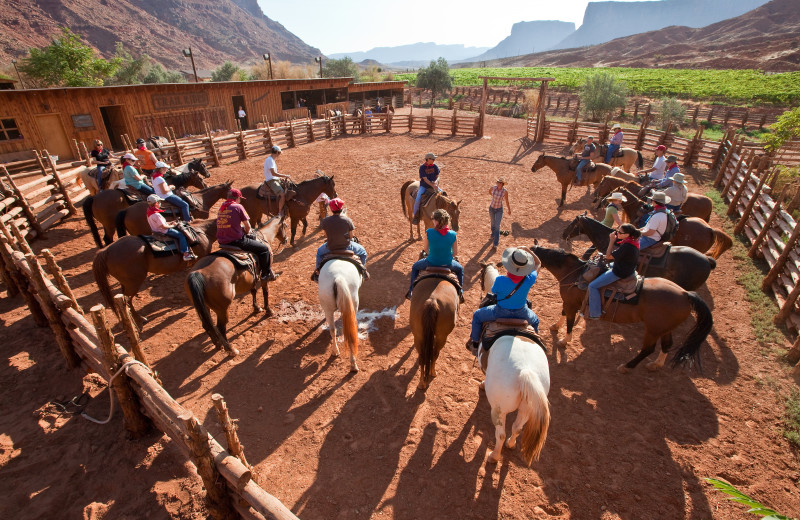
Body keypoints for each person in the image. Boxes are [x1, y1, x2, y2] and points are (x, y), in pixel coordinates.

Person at [467, 246, 542, 354]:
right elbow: (538, 263)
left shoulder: (500, 280)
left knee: (477, 315)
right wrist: (527, 250)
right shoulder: (529, 279)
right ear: (525, 266)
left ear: (509, 265)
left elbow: (494, 291)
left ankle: (474, 344)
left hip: (500, 312)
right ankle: (536, 343)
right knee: (535, 320)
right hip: (522, 313)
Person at [216, 188, 278, 282]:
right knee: (264, 249)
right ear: (237, 198)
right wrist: (246, 231)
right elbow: (248, 226)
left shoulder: (222, 207)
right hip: (236, 241)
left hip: (222, 240)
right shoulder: (238, 207)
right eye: (240, 198)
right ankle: (266, 274)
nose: (240, 200)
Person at [406, 208, 463, 302]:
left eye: (433, 219)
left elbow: (425, 250)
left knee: (415, 267)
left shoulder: (429, 232)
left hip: (430, 262)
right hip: (448, 264)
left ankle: (411, 291)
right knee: (460, 269)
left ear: (436, 221)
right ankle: (460, 293)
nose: (432, 221)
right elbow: (455, 253)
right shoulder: (453, 234)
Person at [587, 223, 640, 319]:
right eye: (617, 230)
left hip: (620, 271)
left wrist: (611, 240)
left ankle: (595, 313)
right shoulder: (633, 242)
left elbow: (608, 256)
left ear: (627, 234)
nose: (617, 233)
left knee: (592, 286)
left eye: (620, 232)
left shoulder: (626, 246)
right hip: (628, 268)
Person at [311, 197, 369, 281]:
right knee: (363, 252)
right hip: (347, 247)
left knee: (319, 252)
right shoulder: (347, 220)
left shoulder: (326, 221)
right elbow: (351, 236)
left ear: (331, 209)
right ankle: (362, 271)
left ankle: (317, 272)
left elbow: (326, 235)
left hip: (330, 247)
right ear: (341, 208)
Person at [146, 194, 196, 262]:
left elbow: (160, 223)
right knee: (181, 236)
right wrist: (173, 225)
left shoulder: (149, 211)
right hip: (164, 231)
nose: (160, 203)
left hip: (156, 230)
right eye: (159, 202)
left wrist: (170, 222)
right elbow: (163, 226)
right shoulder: (157, 215)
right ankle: (186, 254)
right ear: (156, 203)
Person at [412, 152, 441, 225]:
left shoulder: (435, 166)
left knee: (444, 195)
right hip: (424, 186)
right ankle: (415, 216)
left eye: (434, 159)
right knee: (418, 198)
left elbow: (438, 177)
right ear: (428, 159)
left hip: (434, 185)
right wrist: (433, 185)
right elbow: (425, 179)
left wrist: (436, 182)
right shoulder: (422, 167)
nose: (434, 160)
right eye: (433, 159)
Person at [263, 145, 293, 216]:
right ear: (276, 152)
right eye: (279, 153)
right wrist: (285, 176)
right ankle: (280, 212)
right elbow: (273, 173)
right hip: (271, 181)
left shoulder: (271, 159)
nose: (279, 154)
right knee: (282, 194)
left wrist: (279, 178)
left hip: (274, 179)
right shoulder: (270, 160)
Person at [488, 177, 511, 251]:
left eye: (499, 183)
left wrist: (509, 209)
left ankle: (495, 243)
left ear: (502, 184)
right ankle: (493, 234)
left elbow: (507, 201)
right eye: (497, 182)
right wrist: (493, 197)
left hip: (499, 210)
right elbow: (489, 191)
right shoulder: (493, 188)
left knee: (497, 225)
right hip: (491, 208)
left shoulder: (505, 191)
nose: (498, 183)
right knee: (492, 223)